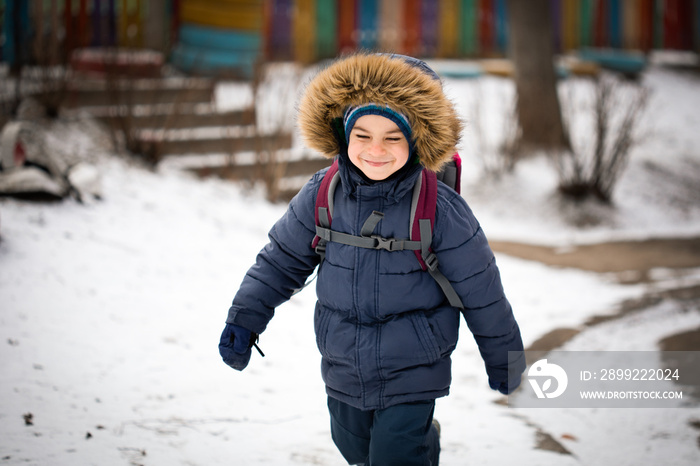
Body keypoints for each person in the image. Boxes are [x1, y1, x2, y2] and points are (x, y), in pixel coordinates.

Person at [219, 53, 525, 466]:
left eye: (393, 138)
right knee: (355, 450)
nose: (375, 150)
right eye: (362, 135)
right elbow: (280, 261)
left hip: (414, 364)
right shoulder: (323, 193)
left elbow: (482, 289)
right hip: (343, 359)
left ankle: (418, 448)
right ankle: (422, 445)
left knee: (394, 456)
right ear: (343, 135)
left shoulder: (438, 208)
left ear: (417, 141)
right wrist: (244, 318)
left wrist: (505, 360)